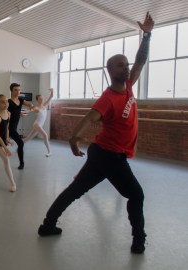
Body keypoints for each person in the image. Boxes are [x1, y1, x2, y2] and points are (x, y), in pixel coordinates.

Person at [37, 13, 154, 254]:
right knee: (137, 195)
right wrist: (73, 137)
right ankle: (139, 240)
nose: (127, 66)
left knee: (76, 190)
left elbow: (140, 61)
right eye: (121, 64)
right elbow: (90, 117)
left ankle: (47, 226)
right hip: (109, 155)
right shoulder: (108, 98)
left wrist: (147, 35)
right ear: (110, 70)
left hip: (103, 154)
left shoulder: (129, 86)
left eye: (126, 63)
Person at [0, 83, 34, 169]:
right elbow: (4, 113)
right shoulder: (8, 102)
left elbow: (31, 106)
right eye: (15, 90)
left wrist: (27, 111)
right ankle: (22, 163)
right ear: (11, 91)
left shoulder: (21, 100)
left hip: (13, 128)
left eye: (19, 90)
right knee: (18, 143)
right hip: (7, 128)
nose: (18, 92)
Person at [22, 88, 53, 157]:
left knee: (28, 138)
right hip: (37, 125)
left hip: (38, 125)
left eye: (42, 98)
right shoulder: (36, 107)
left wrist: (52, 91)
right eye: (40, 99)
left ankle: (19, 147)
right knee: (45, 135)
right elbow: (29, 110)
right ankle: (49, 152)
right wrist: (23, 112)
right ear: (37, 100)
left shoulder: (44, 105)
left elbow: (51, 97)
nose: (41, 100)